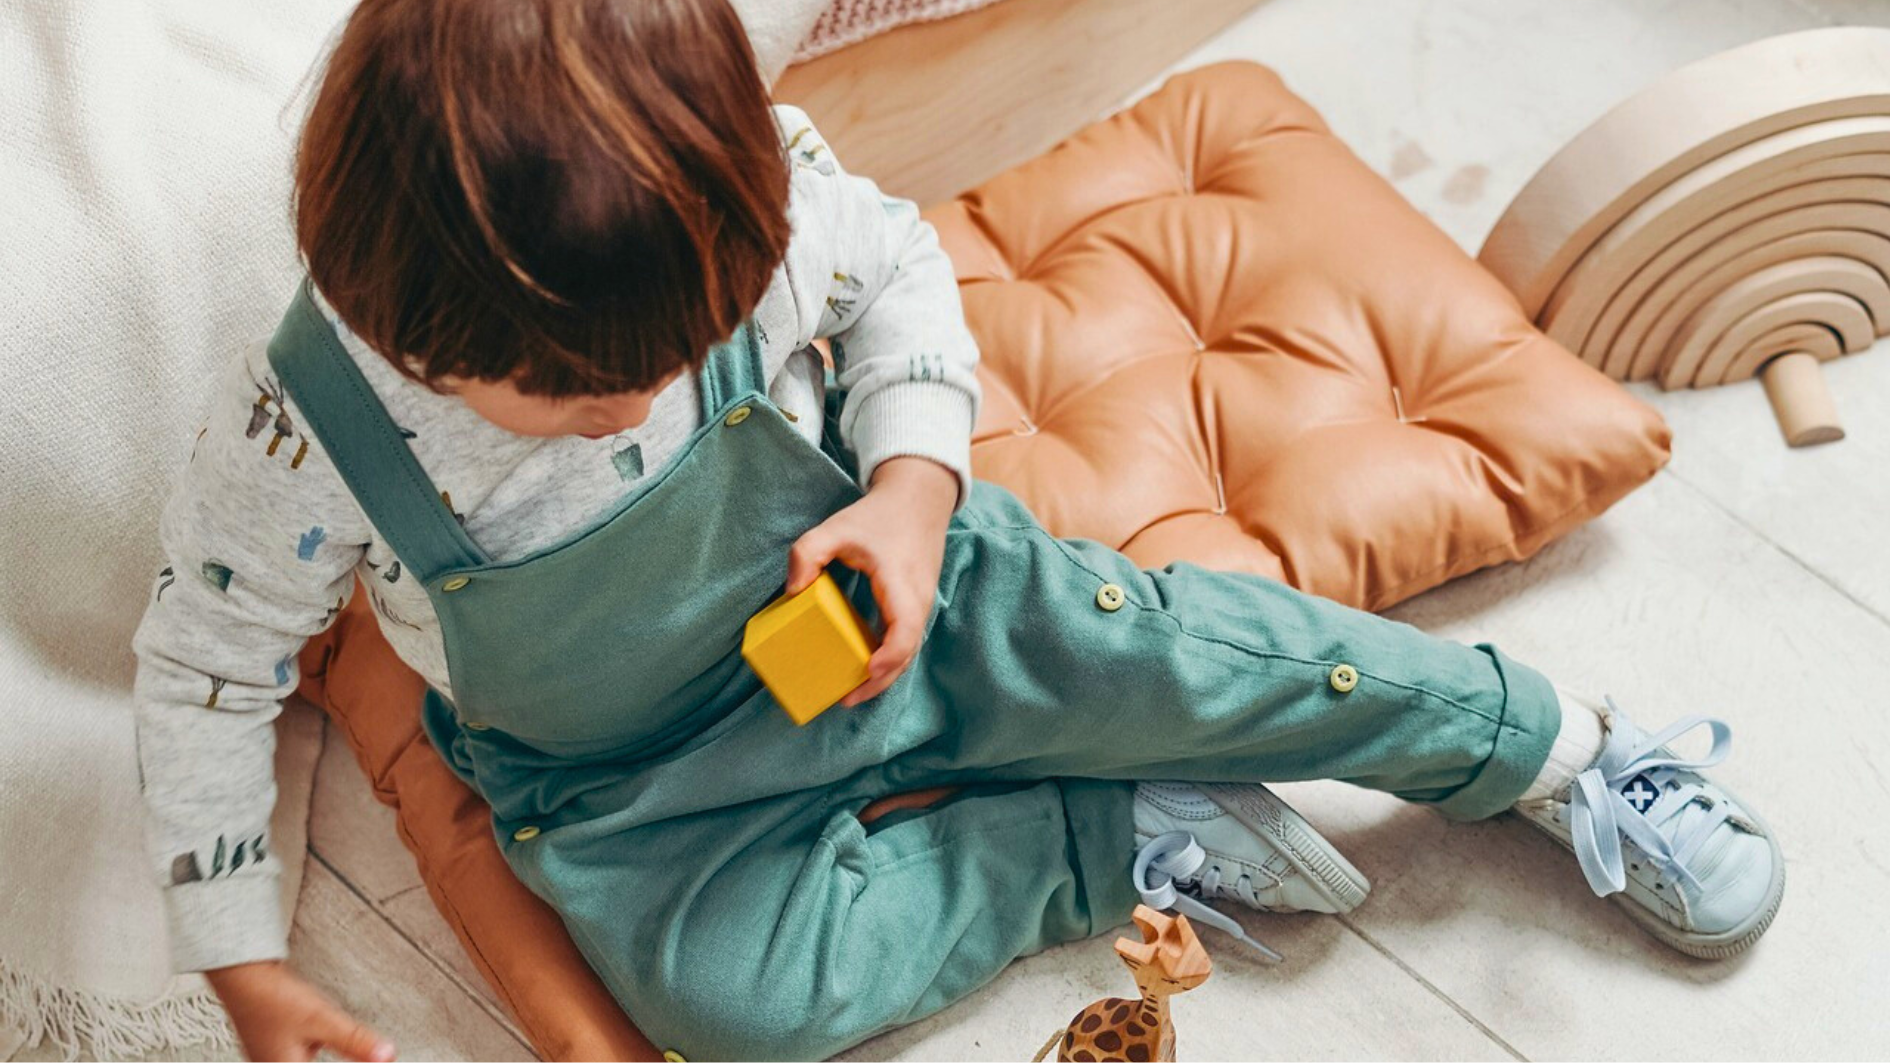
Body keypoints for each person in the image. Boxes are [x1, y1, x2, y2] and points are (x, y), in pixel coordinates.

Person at [132, 0, 1784, 1058]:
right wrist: (239, 962)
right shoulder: (307, 426)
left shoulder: (750, 204)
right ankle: (1094, 842)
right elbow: (201, 673)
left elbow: (896, 274)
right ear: (400, 310)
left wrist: (911, 495)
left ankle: (1546, 745)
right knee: (730, 1005)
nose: (628, 413)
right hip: (635, 785)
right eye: (565, 399)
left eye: (659, 369)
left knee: (1197, 648)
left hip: (904, 602)